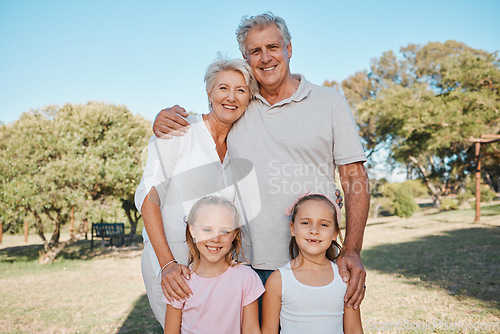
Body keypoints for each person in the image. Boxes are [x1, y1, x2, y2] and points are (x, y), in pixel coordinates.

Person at [152, 12, 370, 310]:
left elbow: (355, 178)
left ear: (289, 49)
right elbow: (204, 129)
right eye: (255, 51)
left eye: (273, 47)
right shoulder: (239, 105)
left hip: (316, 260)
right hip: (246, 266)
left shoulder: (330, 102)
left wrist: (353, 249)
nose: (265, 57)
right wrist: (165, 120)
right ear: (246, 57)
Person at [135, 56, 259, 328]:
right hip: (172, 263)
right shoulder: (179, 130)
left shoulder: (240, 144)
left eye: (241, 90)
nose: (231, 97)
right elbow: (148, 197)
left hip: (217, 268)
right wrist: (167, 264)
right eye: (223, 88)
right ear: (209, 93)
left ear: (249, 98)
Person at [261, 194, 363, 334]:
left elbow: (354, 330)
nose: (314, 230)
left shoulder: (344, 278)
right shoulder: (278, 280)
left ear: (334, 233)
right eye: (305, 223)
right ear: (292, 228)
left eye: (323, 224)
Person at [164, 196, 264, 334]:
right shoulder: (180, 281)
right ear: (192, 231)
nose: (215, 238)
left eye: (224, 231)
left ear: (234, 234)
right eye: (207, 230)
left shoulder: (246, 278)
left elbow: (251, 330)